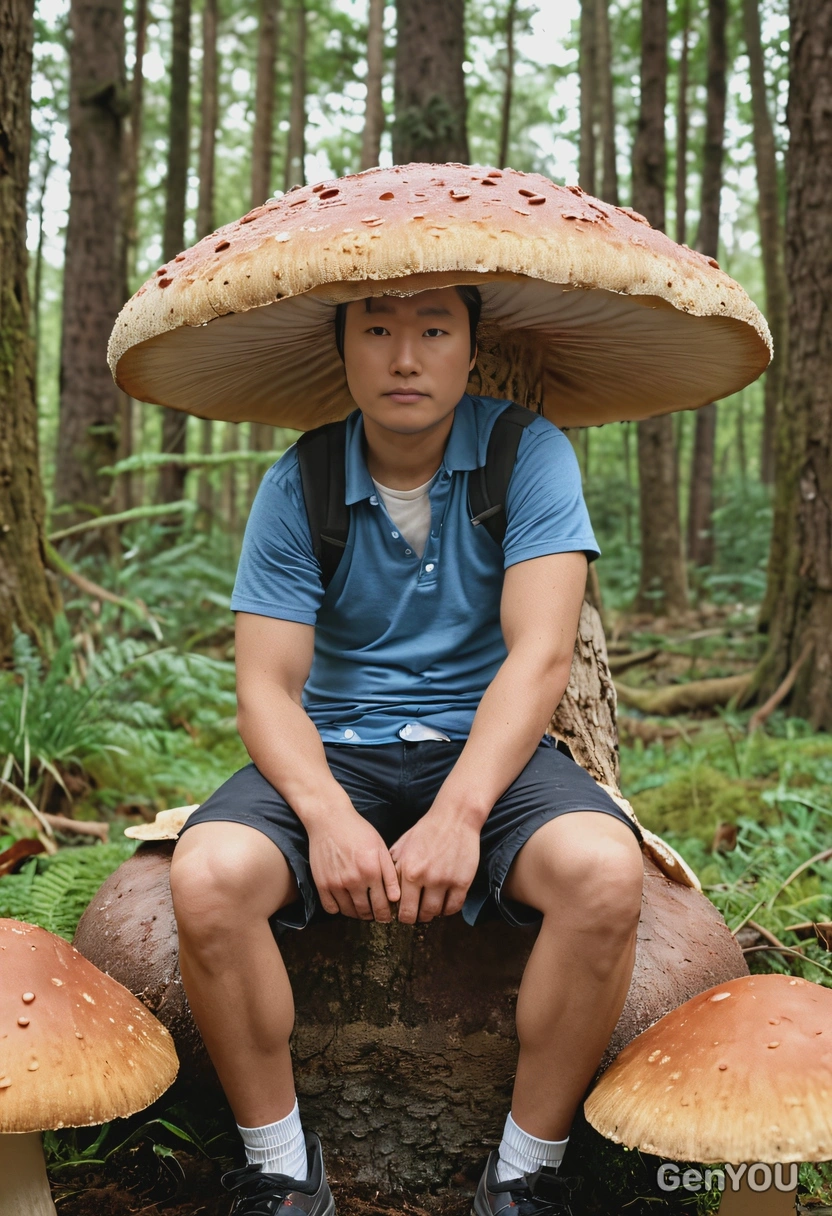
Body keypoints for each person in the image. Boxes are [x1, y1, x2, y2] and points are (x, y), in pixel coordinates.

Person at [169, 283, 645, 1216]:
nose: (404, 358)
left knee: (602, 873)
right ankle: (279, 1170)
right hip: (334, 747)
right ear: (341, 349)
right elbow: (267, 685)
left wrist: (462, 812)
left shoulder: (527, 455)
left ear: (471, 348)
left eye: (434, 331)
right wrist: (328, 816)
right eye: (377, 330)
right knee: (208, 877)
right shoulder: (300, 480)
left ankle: (522, 1176)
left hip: (487, 746)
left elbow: (541, 652)